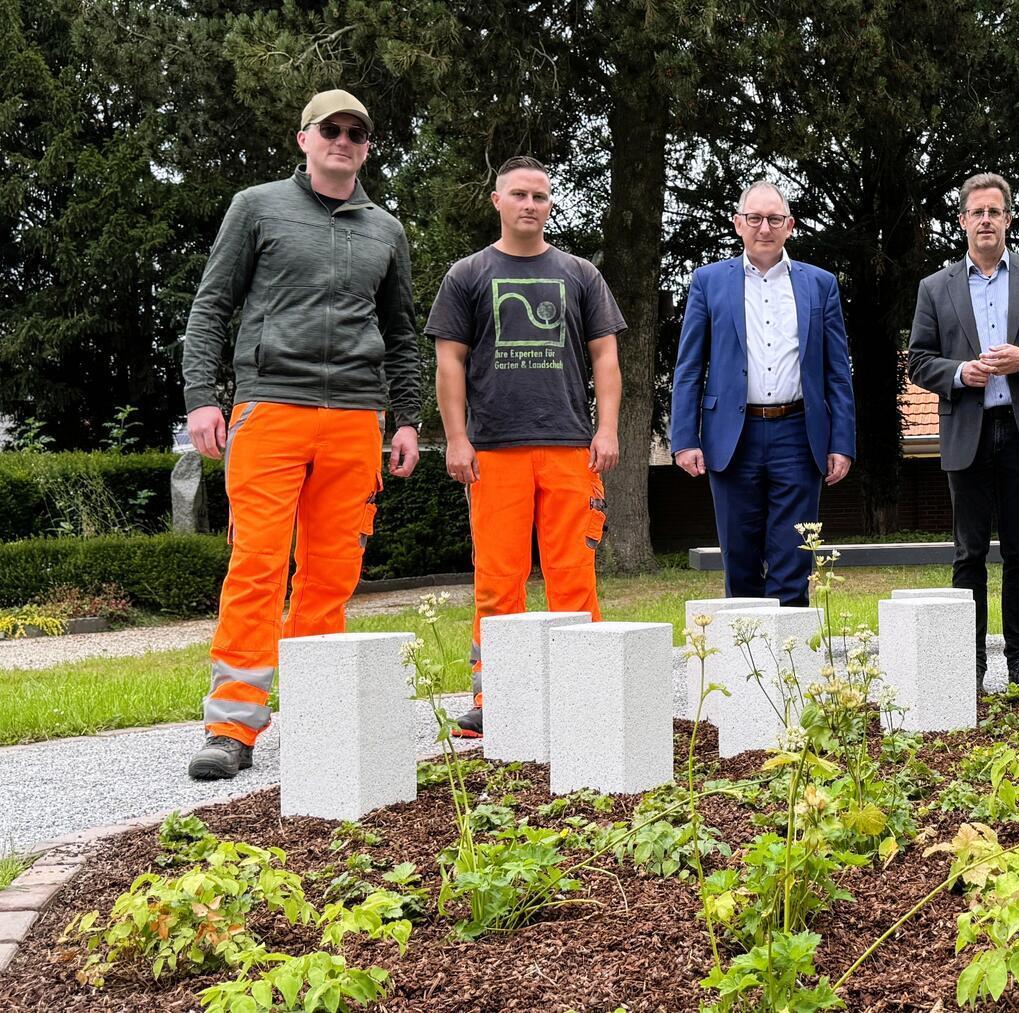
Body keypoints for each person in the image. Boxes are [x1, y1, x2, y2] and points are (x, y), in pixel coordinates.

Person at [181, 90, 421, 779]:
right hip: (269, 408)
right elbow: (212, 305)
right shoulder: (256, 207)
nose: (343, 139)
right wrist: (203, 398)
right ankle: (233, 726)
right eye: (331, 129)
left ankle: (318, 716)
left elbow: (402, 332)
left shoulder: (386, 230)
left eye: (356, 132)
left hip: (354, 418)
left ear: (367, 147)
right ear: (304, 139)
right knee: (256, 564)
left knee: (330, 574)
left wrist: (406, 418)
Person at [426, 155, 625, 737]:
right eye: (519, 195)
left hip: (569, 447)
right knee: (497, 578)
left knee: (573, 575)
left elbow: (606, 358)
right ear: (497, 201)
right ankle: (496, 698)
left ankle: (583, 691)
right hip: (494, 451)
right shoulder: (467, 275)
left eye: (540, 196)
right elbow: (449, 362)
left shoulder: (581, 274)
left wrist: (606, 429)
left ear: (549, 204)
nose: (530, 205)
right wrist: (456, 439)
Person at [908, 171, 1019, 692]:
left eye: (995, 212)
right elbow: (918, 362)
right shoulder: (934, 288)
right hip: (967, 430)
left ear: (1008, 219)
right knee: (968, 555)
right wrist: (961, 373)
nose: (986, 220)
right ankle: (971, 664)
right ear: (962, 221)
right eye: (976, 212)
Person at [669, 180, 855, 605]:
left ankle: (790, 667)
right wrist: (683, 439)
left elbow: (836, 372)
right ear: (739, 224)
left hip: (798, 434)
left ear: (789, 225)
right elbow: (689, 367)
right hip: (733, 436)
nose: (764, 228)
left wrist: (841, 442)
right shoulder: (708, 282)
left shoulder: (820, 284)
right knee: (740, 557)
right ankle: (745, 663)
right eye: (754, 218)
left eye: (774, 219)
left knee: (794, 557)